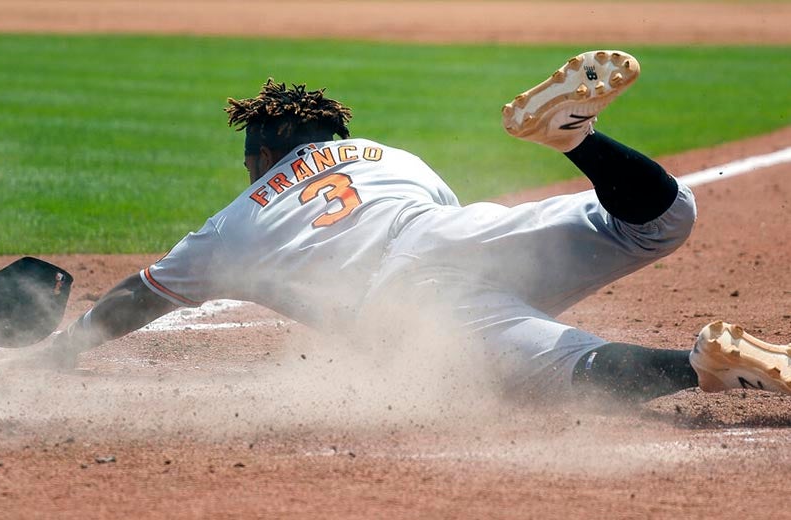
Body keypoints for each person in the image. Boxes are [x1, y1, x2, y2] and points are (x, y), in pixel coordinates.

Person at [38, 50, 791, 401]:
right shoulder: (385, 153)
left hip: (408, 303)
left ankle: (700, 364)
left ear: (266, 154)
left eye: (249, 159)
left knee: (555, 376)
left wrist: (68, 345)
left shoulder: (234, 225)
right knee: (659, 220)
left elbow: (140, 296)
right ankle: (576, 139)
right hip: (460, 235)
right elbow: (448, 224)